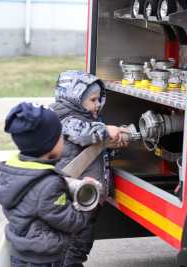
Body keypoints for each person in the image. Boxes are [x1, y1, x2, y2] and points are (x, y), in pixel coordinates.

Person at [0, 102, 90, 267]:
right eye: (61, 135)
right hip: (45, 259)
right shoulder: (49, 185)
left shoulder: (12, 172)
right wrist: (87, 196)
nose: (64, 139)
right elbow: (72, 221)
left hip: (21, 253)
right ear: (50, 144)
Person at [50, 70, 129, 267]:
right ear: (74, 98)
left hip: (87, 200)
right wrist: (105, 131)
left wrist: (111, 148)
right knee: (73, 247)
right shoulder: (65, 119)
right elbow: (82, 135)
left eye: (99, 99)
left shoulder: (88, 121)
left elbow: (94, 153)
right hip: (73, 201)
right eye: (93, 100)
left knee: (81, 243)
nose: (98, 104)